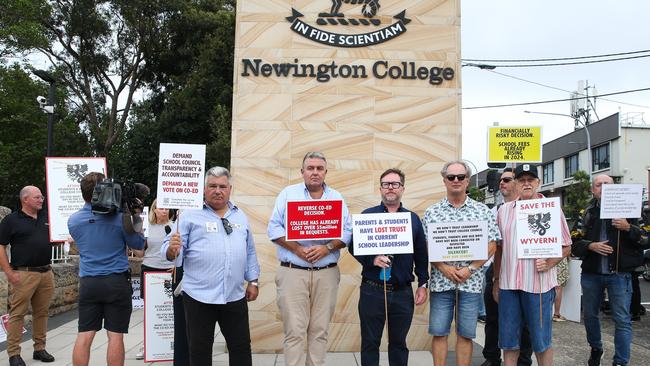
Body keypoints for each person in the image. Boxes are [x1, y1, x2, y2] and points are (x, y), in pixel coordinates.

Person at [163, 166, 260, 366]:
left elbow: (249, 250)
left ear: (230, 189)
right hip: (199, 296)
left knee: (241, 348)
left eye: (222, 186)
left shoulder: (239, 216)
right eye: (212, 186)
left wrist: (253, 281)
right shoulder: (189, 215)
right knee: (199, 352)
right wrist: (172, 249)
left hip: (234, 295)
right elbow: (169, 250)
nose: (218, 190)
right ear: (204, 189)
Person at [267, 151, 352, 366]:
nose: (315, 172)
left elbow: (348, 231)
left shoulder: (336, 197)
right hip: (293, 271)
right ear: (302, 171)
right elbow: (273, 228)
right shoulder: (288, 194)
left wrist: (328, 247)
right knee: (294, 331)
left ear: (325, 172)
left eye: (319, 168)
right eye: (310, 168)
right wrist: (296, 248)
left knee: (320, 330)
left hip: (326, 273)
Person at [493, 164, 572, 366]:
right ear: (516, 184)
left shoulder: (552, 209)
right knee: (509, 342)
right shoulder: (504, 211)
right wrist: (496, 280)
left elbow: (566, 246)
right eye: (521, 180)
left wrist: (549, 263)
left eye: (531, 179)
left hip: (539, 286)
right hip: (509, 284)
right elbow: (500, 249)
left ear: (538, 182)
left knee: (541, 341)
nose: (526, 183)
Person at [422, 160, 499, 366]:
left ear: (468, 181)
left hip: (471, 282)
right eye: (451, 177)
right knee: (439, 333)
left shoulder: (482, 211)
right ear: (444, 180)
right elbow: (427, 245)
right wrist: (444, 268)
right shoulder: (432, 212)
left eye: (460, 177)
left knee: (465, 334)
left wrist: (471, 268)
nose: (456, 181)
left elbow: (492, 245)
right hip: (441, 282)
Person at [349, 168, 429, 365]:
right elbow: (353, 246)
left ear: (402, 188)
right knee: (370, 342)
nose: (390, 188)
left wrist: (423, 283)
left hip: (402, 292)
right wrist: (371, 259)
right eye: (386, 184)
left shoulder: (412, 219)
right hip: (372, 290)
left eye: (395, 184)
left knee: (399, 343)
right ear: (380, 189)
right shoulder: (368, 215)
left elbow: (421, 254)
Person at [68, 172, 145, 366]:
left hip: (88, 283)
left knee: (84, 336)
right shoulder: (120, 218)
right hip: (116, 282)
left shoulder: (74, 220)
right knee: (115, 336)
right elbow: (138, 244)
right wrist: (134, 216)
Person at [571, 174, 644, 366]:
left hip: (620, 274)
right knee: (589, 315)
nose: (602, 188)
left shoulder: (632, 209)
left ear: (615, 188)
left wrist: (629, 227)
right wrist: (590, 246)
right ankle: (596, 347)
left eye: (607, 184)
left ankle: (620, 361)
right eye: (598, 185)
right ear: (592, 190)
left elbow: (646, 238)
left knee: (622, 319)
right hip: (591, 273)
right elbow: (573, 243)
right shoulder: (585, 212)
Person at [482, 168, 532, 366]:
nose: (502, 183)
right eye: (501, 180)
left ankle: (524, 360)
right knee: (493, 319)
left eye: (507, 180)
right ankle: (492, 358)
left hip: (524, 273)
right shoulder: (494, 211)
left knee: (524, 323)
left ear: (518, 183)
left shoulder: (532, 209)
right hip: (496, 270)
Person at [0, 186, 55, 366]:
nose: (41, 200)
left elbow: (58, 235)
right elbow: (1, 246)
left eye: (42, 197)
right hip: (23, 273)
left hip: (46, 273)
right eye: (37, 197)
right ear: (25, 199)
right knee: (17, 314)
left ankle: (39, 348)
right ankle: (14, 354)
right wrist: (8, 271)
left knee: (42, 313)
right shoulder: (11, 220)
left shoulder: (47, 217)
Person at [132, 199, 176, 360]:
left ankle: (170, 343)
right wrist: (131, 239)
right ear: (154, 209)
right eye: (160, 208)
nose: (164, 211)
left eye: (166, 208)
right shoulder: (146, 227)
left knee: (171, 311)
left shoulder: (175, 226)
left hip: (170, 271)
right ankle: (147, 345)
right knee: (150, 312)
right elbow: (140, 253)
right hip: (150, 270)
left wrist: (177, 266)